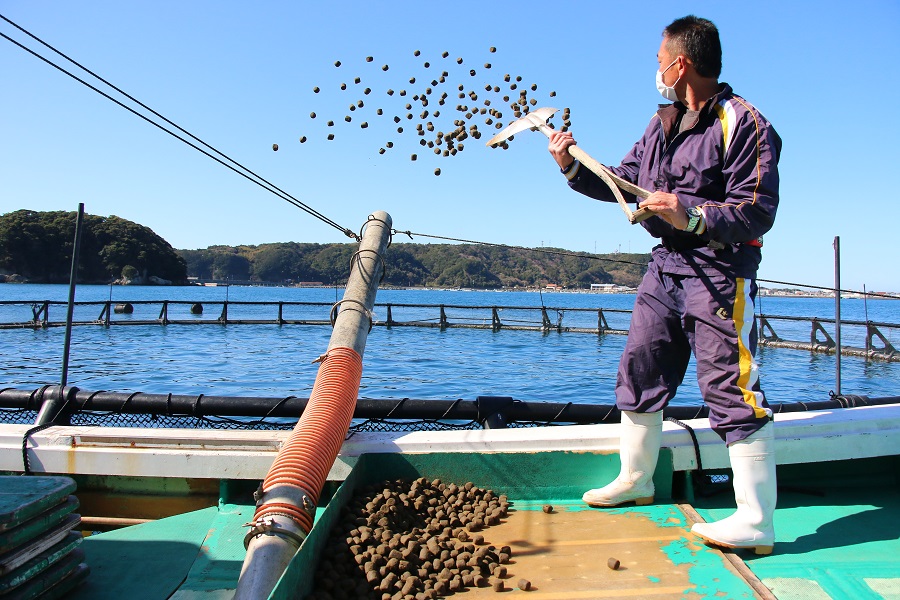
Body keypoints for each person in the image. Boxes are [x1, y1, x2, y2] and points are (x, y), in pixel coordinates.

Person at [547, 15, 781, 555]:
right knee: (641, 367)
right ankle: (637, 480)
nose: (655, 70)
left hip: (720, 273)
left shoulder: (745, 124)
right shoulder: (660, 125)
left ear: (680, 64)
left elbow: (757, 211)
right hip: (664, 269)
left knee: (730, 386)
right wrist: (571, 167)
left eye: (658, 61)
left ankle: (756, 521)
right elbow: (621, 183)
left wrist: (691, 215)